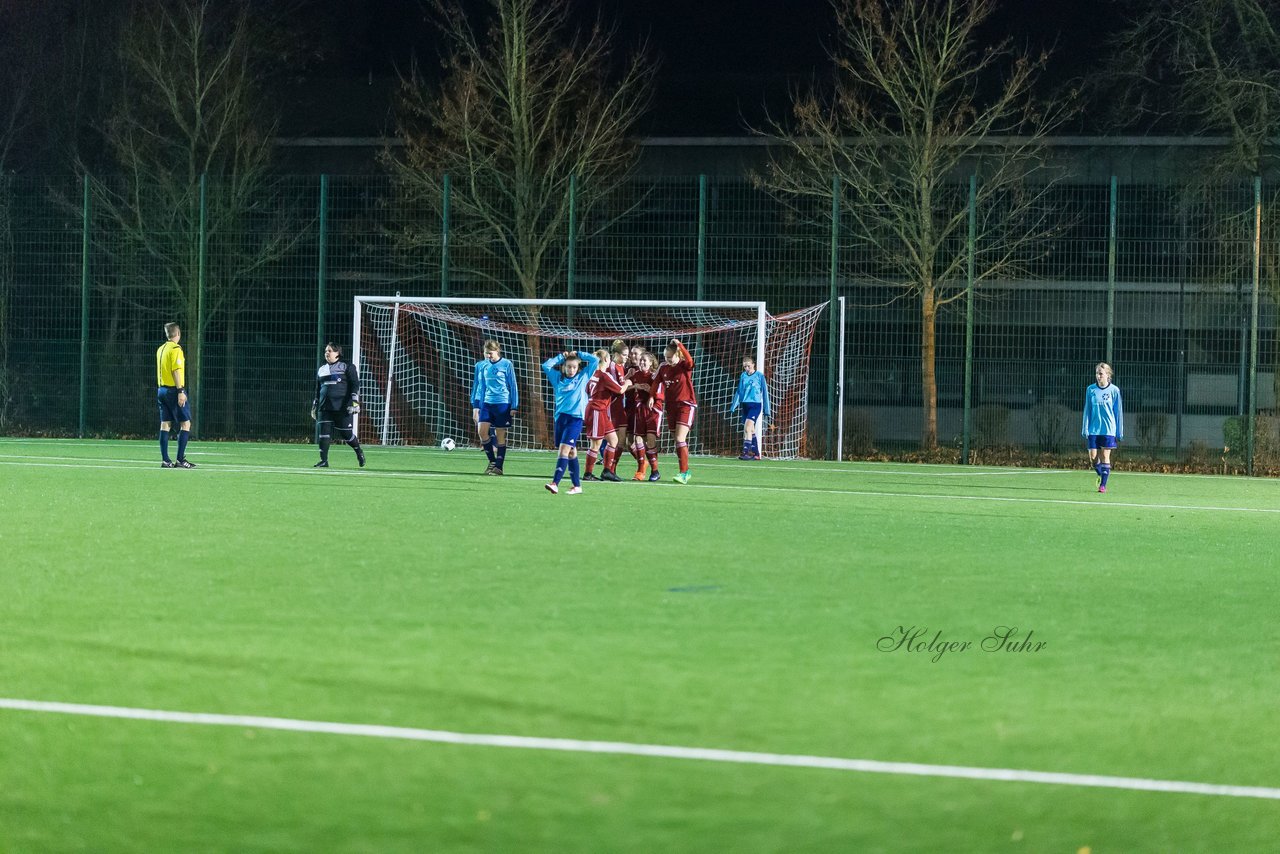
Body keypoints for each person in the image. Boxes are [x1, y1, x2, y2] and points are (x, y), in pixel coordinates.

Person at [541, 349, 600, 494]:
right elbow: (546, 366)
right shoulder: (557, 378)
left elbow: (595, 361)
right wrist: (561, 357)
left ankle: (555, 483)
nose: (571, 369)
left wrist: (579, 354)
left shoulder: (583, 376)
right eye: (568, 366)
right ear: (564, 367)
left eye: (574, 367)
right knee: (572, 452)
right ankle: (577, 486)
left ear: (578, 368)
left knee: (564, 450)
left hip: (575, 419)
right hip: (561, 418)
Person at [312, 342, 366, 469]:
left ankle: (359, 451)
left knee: (346, 435)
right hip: (325, 407)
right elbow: (317, 389)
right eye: (326, 351)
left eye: (330, 351)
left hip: (342, 407)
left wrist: (355, 402)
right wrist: (315, 405)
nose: (327, 353)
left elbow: (355, 384)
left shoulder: (347, 366)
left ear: (337, 353)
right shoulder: (322, 369)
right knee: (323, 435)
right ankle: (324, 461)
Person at [581, 348, 632, 482]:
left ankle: (607, 471)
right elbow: (621, 390)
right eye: (609, 359)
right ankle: (588, 473)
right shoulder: (604, 375)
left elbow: (588, 390)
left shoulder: (593, 375)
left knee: (613, 440)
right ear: (605, 360)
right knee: (596, 444)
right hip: (597, 410)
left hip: (600, 410)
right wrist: (628, 382)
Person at [651, 338, 697, 484]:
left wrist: (680, 345)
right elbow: (656, 382)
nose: (668, 360)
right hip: (670, 407)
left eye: (670, 357)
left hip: (686, 405)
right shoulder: (663, 368)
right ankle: (685, 470)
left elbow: (690, 361)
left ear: (678, 355)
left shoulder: (684, 366)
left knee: (679, 438)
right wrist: (652, 396)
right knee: (676, 440)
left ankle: (684, 473)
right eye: (665, 357)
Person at [471, 339, 519, 475]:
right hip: (486, 403)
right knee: (482, 432)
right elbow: (480, 387)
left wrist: (514, 405)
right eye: (486, 353)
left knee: (500, 436)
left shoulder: (506, 364)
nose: (488, 356)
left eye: (490, 353)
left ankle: (499, 467)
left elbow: (513, 385)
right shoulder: (482, 366)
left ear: (497, 351)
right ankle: (492, 461)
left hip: (502, 403)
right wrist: (477, 406)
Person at [156, 322, 196, 468]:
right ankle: (180, 459)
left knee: (165, 423)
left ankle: (166, 460)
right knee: (186, 423)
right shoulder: (176, 349)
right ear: (177, 333)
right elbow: (176, 370)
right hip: (173, 390)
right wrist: (180, 391)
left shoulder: (161, 349)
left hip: (161, 390)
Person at [1082, 361, 1123, 493]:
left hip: (1108, 429)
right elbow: (1087, 409)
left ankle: (1103, 485)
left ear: (1108, 375)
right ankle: (1102, 474)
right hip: (1094, 428)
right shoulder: (1090, 389)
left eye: (1101, 374)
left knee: (1105, 456)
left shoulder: (1114, 390)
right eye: (1097, 374)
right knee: (1093, 458)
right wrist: (1085, 427)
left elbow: (1118, 412)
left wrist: (1119, 431)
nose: (1098, 376)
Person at [730, 354, 771, 460]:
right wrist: (734, 405)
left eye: (749, 366)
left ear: (753, 365)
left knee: (747, 428)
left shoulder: (759, 376)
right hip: (745, 405)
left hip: (755, 405)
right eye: (745, 367)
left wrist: (767, 409)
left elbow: (765, 393)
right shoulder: (743, 376)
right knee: (750, 430)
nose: (747, 368)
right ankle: (756, 454)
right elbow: (739, 391)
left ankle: (745, 453)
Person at [630, 351, 663, 481]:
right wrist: (634, 385)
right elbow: (625, 386)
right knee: (637, 439)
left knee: (650, 440)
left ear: (651, 363)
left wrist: (650, 392)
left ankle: (655, 471)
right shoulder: (636, 375)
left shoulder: (655, 376)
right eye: (641, 360)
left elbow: (660, 394)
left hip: (653, 409)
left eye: (645, 360)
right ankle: (640, 470)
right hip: (640, 409)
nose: (642, 362)